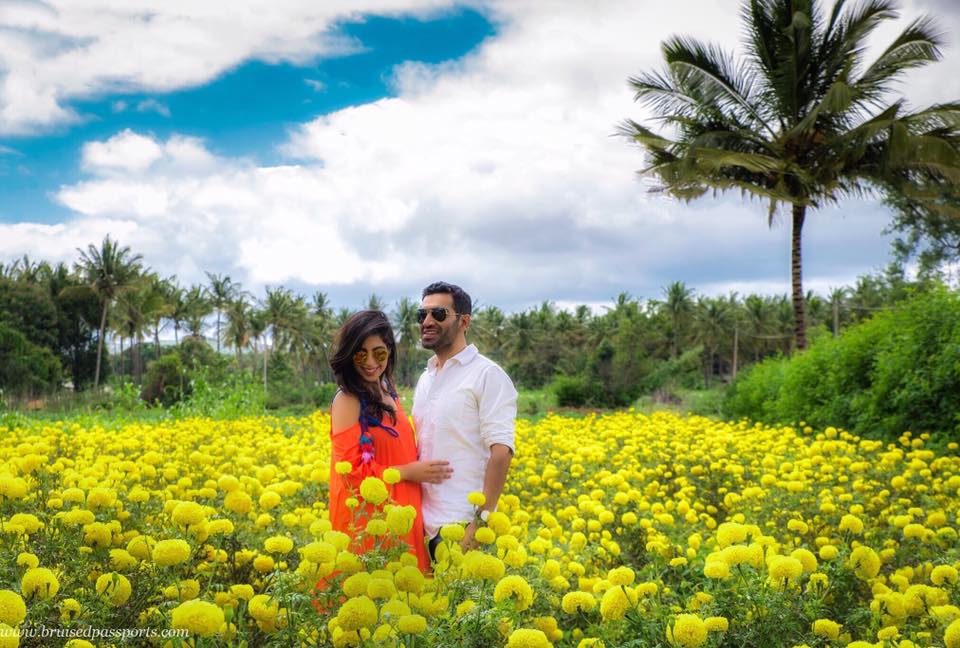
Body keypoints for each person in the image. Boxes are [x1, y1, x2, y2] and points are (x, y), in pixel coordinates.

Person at [328, 310, 453, 572]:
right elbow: (352, 475)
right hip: (370, 523)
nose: (370, 362)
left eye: (379, 352)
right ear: (349, 354)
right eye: (361, 353)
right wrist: (408, 472)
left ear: (389, 352)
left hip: (403, 515)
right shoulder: (347, 400)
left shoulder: (387, 391)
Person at [412, 282, 518, 560]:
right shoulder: (426, 378)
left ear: (464, 321)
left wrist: (479, 524)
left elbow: (501, 451)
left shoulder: (487, 375)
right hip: (420, 529)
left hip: (460, 527)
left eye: (438, 314)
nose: (427, 321)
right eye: (421, 315)